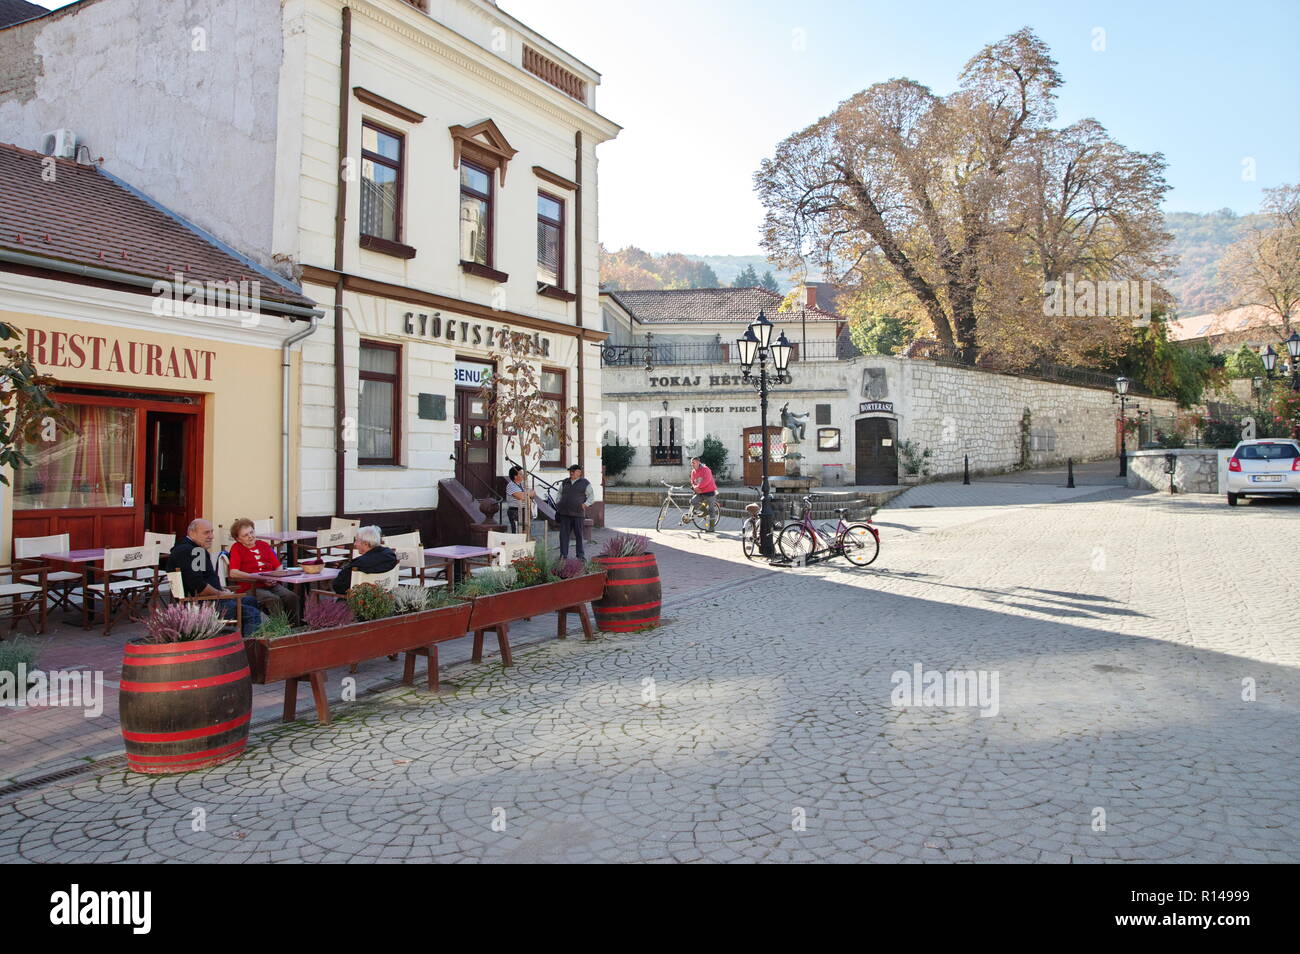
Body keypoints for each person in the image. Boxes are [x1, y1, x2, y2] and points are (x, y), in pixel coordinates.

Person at [168, 518, 262, 636]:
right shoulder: (195, 551)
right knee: (251, 613)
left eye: (212, 532)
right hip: (203, 605)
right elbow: (199, 587)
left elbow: (202, 579)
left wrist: (222, 590)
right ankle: (249, 650)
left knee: (251, 601)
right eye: (206, 532)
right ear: (192, 533)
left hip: (205, 600)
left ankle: (236, 640)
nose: (211, 536)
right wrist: (221, 593)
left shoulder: (189, 548)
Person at [225, 518, 300, 624]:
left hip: (271, 583)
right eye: (245, 535)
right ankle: (280, 629)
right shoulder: (237, 548)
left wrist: (275, 578)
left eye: (251, 532)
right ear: (238, 539)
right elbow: (233, 572)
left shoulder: (263, 545)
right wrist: (258, 578)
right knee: (273, 599)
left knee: (291, 597)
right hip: (251, 587)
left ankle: (295, 627)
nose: (250, 536)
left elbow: (278, 566)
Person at [332, 525, 399, 593]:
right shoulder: (391, 556)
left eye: (356, 541)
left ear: (366, 544)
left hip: (359, 600)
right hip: (384, 596)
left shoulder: (359, 564)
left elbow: (338, 586)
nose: (354, 544)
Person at [555, 464, 593, 560]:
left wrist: (585, 505)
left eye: (573, 471)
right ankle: (563, 555)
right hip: (564, 513)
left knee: (579, 535)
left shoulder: (585, 483)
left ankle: (580, 555)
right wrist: (558, 502)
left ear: (579, 473)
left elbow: (591, 497)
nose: (571, 473)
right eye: (570, 471)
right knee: (563, 535)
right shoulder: (565, 482)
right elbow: (559, 493)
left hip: (578, 514)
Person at [504, 466, 536, 535]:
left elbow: (533, 493)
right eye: (521, 473)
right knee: (517, 531)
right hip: (515, 511)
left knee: (526, 531)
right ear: (515, 476)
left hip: (525, 510)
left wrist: (527, 494)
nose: (523, 475)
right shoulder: (511, 485)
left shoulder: (523, 484)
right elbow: (520, 496)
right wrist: (528, 494)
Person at [690, 456, 718, 529]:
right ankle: (705, 512)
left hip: (709, 492)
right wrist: (694, 487)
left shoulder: (706, 469)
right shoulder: (693, 471)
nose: (692, 464)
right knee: (693, 501)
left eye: (694, 463)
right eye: (691, 463)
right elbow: (692, 481)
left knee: (711, 510)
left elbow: (707, 480)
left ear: (698, 462)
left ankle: (711, 528)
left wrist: (698, 487)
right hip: (700, 492)